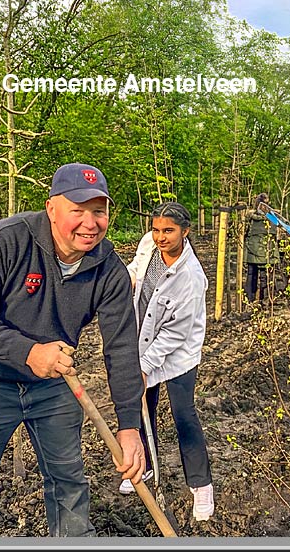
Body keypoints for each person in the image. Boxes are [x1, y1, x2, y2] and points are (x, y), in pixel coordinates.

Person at [0, 163, 146, 537]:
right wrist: (29, 352)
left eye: (99, 211)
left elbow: (121, 347)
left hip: (53, 386)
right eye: (78, 210)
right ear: (52, 209)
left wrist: (130, 426)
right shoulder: (5, 242)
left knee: (68, 483)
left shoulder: (109, 270)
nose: (90, 222)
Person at [119, 201, 214, 522]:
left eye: (169, 231)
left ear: (185, 232)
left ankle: (201, 486)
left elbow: (175, 334)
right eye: (157, 229)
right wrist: (128, 280)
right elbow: (136, 268)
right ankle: (143, 468)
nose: (160, 237)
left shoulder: (190, 276)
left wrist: (145, 367)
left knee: (183, 414)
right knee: (142, 407)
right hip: (143, 340)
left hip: (178, 354)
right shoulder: (149, 245)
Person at [243, 193, 280, 303]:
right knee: (265, 276)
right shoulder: (273, 218)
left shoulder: (249, 217)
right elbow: (275, 234)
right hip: (267, 250)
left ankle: (249, 298)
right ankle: (265, 300)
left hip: (251, 250)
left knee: (251, 274)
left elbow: (244, 232)